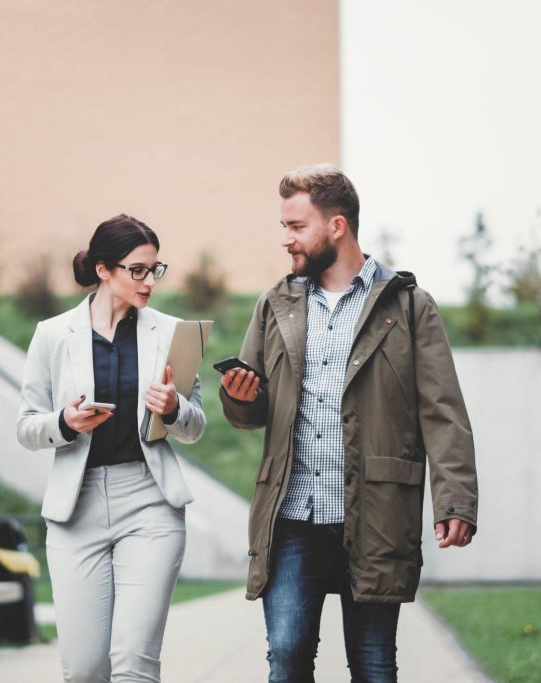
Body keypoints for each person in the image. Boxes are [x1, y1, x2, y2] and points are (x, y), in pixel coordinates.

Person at [220, 164, 479, 682]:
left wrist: (455, 500)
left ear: (337, 227)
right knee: (288, 655)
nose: (286, 240)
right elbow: (251, 411)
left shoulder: (408, 306)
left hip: (376, 514)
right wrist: (240, 398)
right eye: (285, 227)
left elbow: (443, 410)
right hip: (291, 517)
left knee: (374, 664)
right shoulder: (277, 304)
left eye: (296, 227)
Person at [16, 214, 205, 683]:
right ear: (103, 270)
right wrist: (65, 422)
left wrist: (174, 407)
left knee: (134, 663)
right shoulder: (53, 334)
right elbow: (25, 426)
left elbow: (195, 426)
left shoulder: (172, 332)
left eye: (154, 270)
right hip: (75, 511)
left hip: (150, 504)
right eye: (136, 270)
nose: (149, 282)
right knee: (84, 670)